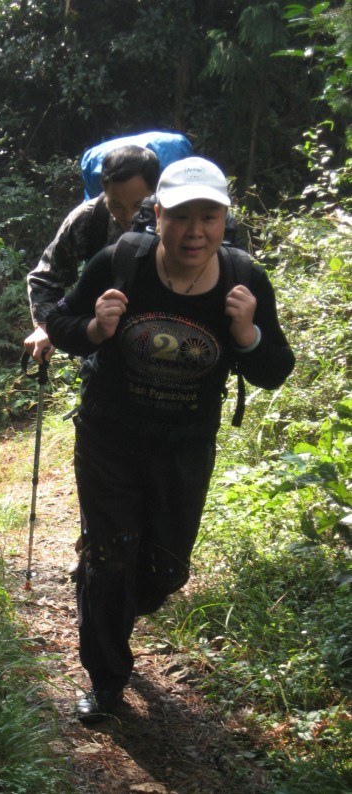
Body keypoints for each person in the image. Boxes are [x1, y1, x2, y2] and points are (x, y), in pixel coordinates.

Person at [46, 157, 295, 723]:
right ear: (158, 215)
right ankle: (107, 678)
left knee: (163, 570)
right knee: (113, 557)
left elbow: (274, 369)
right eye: (181, 216)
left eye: (208, 217)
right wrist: (93, 329)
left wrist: (248, 333)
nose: (195, 231)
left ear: (224, 219)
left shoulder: (245, 280)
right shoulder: (120, 262)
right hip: (110, 437)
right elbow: (60, 321)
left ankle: (101, 589)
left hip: (184, 447)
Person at [25, 145, 160, 364]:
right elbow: (47, 277)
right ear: (104, 191)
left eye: (138, 205)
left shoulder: (175, 221)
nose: (128, 216)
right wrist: (43, 326)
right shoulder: (89, 219)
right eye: (116, 204)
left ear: (155, 193)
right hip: (102, 345)